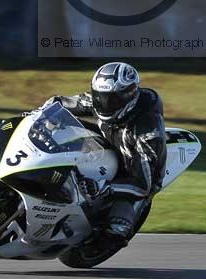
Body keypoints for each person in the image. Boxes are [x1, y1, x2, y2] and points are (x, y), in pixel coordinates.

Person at [47, 62, 167, 241]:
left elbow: (143, 183)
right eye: (99, 97)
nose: (104, 104)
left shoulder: (147, 131)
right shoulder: (99, 101)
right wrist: (42, 111)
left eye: (112, 100)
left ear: (128, 97)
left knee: (116, 229)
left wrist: (104, 188)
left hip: (134, 169)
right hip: (109, 146)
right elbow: (64, 102)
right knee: (64, 128)